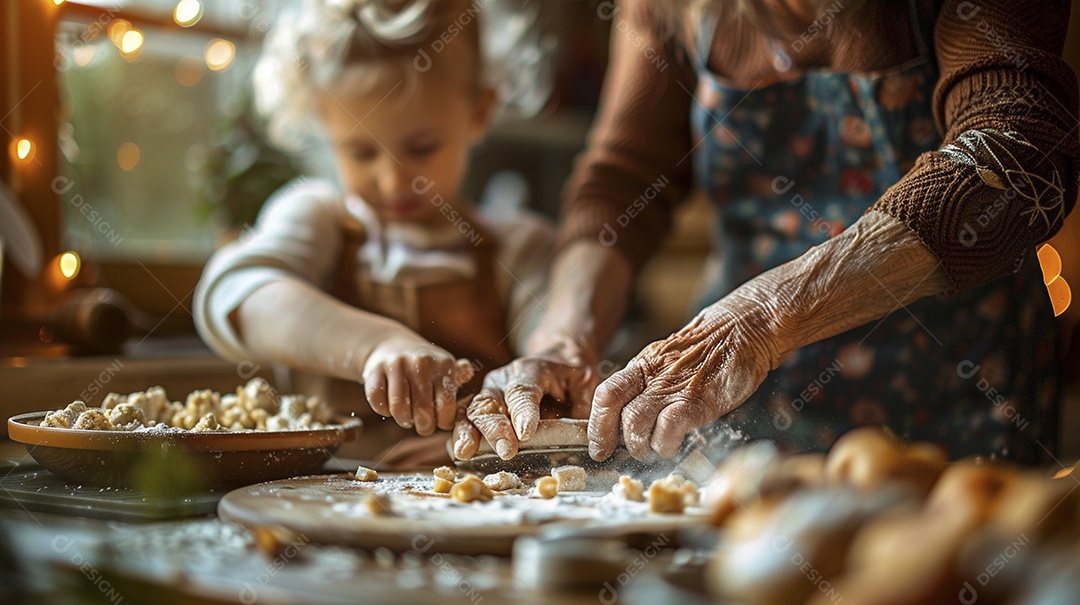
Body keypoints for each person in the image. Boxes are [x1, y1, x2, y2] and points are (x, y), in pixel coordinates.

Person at [454, 0, 1079, 465]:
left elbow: (1016, 151)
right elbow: (623, 183)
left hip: (960, 405)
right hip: (737, 418)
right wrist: (565, 339)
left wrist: (764, 317)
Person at [194, 0, 553, 458]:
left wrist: (474, 446)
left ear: (479, 113)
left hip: (478, 504)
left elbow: (552, 380)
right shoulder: (318, 216)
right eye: (361, 152)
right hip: (316, 500)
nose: (392, 180)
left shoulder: (520, 248)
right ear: (321, 123)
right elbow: (236, 295)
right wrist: (375, 346)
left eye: (422, 148)